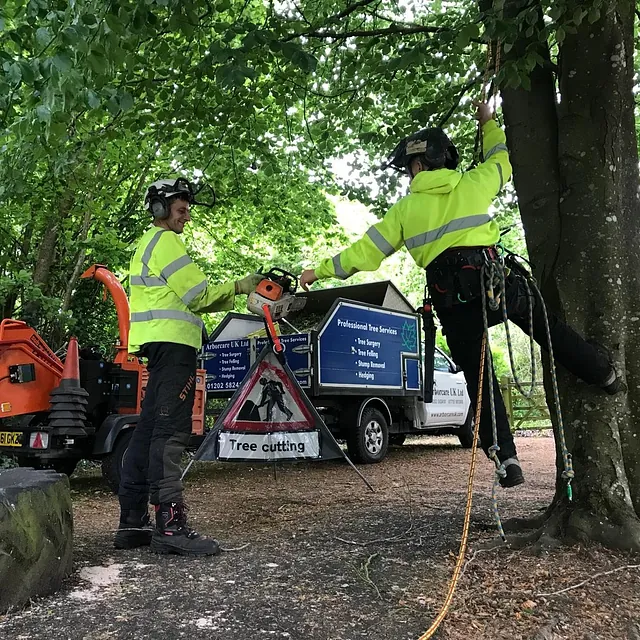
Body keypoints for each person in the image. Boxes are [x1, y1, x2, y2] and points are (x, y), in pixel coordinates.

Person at [300, 101, 622, 488]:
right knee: (547, 330)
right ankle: (604, 374)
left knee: (477, 372)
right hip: (495, 281)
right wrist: (488, 122)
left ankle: (506, 458)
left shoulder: (404, 210)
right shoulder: (474, 182)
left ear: (417, 166)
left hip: (452, 299)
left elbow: (363, 253)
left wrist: (317, 272)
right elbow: (502, 159)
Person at [114, 177, 263, 556]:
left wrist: (234, 290)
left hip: (160, 347)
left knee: (147, 432)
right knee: (171, 431)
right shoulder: (165, 242)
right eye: (181, 211)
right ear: (162, 210)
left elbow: (187, 300)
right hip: (175, 348)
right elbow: (198, 296)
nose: (187, 218)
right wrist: (242, 285)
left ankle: (132, 523)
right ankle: (170, 525)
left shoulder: (146, 245)